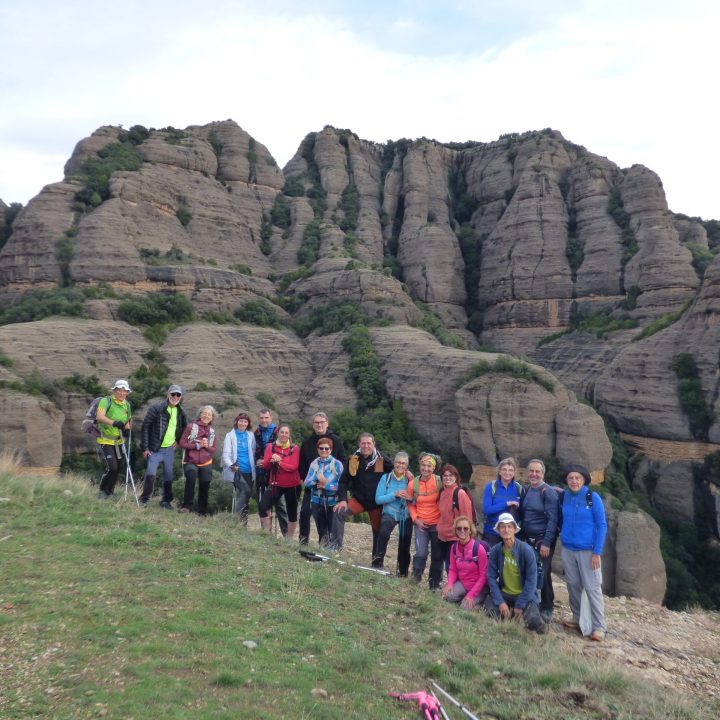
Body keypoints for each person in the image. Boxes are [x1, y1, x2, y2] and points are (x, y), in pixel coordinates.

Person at [559, 464, 608, 641]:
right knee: (572, 585)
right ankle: (577, 618)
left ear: (584, 480)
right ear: (566, 480)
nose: (574, 481)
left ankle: (598, 626)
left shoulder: (592, 497)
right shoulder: (564, 496)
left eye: (577, 478)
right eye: (571, 478)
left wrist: (597, 552)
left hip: (588, 551)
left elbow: (602, 525)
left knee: (592, 587)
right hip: (568, 549)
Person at [333, 433, 393, 564]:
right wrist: (342, 499)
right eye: (363, 443)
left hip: (376, 503)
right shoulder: (354, 459)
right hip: (359, 501)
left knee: (379, 531)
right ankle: (335, 550)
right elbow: (343, 481)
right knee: (338, 512)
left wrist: (407, 474)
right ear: (359, 444)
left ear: (373, 444)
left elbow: (395, 471)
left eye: (369, 443)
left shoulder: (380, 459)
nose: (366, 446)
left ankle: (376, 563)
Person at [484, 512, 546, 634]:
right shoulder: (496, 551)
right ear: (499, 530)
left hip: (525, 595)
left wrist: (520, 604)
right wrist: (500, 602)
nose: (506, 530)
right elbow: (491, 577)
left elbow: (531, 581)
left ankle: (521, 614)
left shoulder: (526, 550)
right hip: (505, 593)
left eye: (509, 526)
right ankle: (509, 614)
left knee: (534, 623)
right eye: (502, 526)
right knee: (490, 613)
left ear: (514, 529)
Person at [518, 458, 559, 622]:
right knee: (535, 571)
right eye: (532, 471)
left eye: (538, 472)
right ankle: (535, 603)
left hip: (543, 540)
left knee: (542, 572)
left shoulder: (547, 492)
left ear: (543, 474)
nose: (534, 474)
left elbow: (553, 519)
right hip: (528, 538)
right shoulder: (528, 490)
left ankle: (546, 607)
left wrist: (547, 543)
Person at [298, 412, 346, 545]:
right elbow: (302, 466)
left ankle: (331, 546)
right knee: (305, 513)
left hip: (332, 489)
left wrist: (330, 483)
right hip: (312, 487)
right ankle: (303, 541)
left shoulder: (336, 441)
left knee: (331, 518)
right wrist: (310, 482)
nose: (319, 425)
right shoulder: (307, 443)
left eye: (321, 422)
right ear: (313, 425)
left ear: (327, 423)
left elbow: (343, 462)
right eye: (316, 422)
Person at [139, 384, 188, 509]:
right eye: (173, 394)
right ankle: (144, 499)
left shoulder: (181, 412)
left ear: (181, 397)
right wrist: (144, 448)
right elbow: (145, 427)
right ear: (168, 394)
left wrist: (178, 441)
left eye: (178, 395)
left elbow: (184, 429)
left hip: (169, 450)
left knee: (168, 475)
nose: (175, 397)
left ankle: (166, 501)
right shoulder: (156, 408)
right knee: (151, 474)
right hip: (155, 448)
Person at [374, 452, 414, 575]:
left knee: (405, 540)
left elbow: (417, 500)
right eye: (398, 462)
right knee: (384, 533)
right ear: (394, 463)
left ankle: (403, 572)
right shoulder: (385, 478)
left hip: (405, 514)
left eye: (403, 463)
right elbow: (378, 499)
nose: (400, 465)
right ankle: (377, 564)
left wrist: (410, 498)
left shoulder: (411, 481)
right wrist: (394, 494)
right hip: (389, 512)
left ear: (407, 465)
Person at [408, 453, 443, 589]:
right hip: (420, 522)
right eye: (423, 465)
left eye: (429, 466)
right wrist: (416, 519)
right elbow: (410, 503)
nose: (426, 468)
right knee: (421, 552)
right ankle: (415, 579)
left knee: (437, 554)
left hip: (437, 523)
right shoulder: (413, 484)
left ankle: (434, 584)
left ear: (433, 468)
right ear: (419, 465)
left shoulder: (440, 482)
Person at [259, 425, 302, 539]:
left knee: (292, 511)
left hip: (292, 484)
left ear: (289, 435)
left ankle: (289, 538)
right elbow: (266, 465)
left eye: (286, 433)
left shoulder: (294, 448)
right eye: (282, 432)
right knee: (263, 506)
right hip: (275, 483)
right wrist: (270, 459)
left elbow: (293, 466)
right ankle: (267, 534)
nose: (284, 434)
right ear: (278, 433)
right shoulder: (270, 447)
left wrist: (279, 462)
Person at [95, 379, 133, 500]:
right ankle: (102, 491)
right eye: (119, 390)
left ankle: (110, 492)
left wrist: (127, 429)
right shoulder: (106, 401)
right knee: (112, 467)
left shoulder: (127, 405)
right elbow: (99, 417)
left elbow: (128, 420)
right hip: (106, 440)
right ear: (114, 390)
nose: (122, 393)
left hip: (119, 441)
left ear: (127, 392)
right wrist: (114, 423)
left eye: (124, 391)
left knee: (117, 468)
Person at [303, 437, 343, 547]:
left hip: (333, 502)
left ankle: (335, 552)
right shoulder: (314, 464)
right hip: (317, 501)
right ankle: (323, 550)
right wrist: (316, 480)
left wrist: (327, 486)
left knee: (333, 529)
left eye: (327, 448)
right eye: (321, 448)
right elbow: (306, 482)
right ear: (317, 449)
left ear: (331, 449)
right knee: (321, 529)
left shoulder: (337, 464)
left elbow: (342, 484)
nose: (324, 451)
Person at [178, 405, 218, 515]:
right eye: (204, 413)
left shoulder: (212, 432)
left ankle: (202, 511)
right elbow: (182, 443)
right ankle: (186, 506)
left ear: (212, 417)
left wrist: (206, 446)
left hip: (206, 462)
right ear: (200, 415)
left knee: (205, 485)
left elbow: (213, 449)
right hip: (190, 460)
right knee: (191, 477)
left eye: (209, 414)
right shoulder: (191, 427)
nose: (206, 416)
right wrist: (196, 446)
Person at [442, 515, 488, 609]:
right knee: (447, 596)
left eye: (466, 528)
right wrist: (450, 584)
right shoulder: (454, 548)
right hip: (463, 583)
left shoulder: (479, 549)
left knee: (464, 608)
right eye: (459, 528)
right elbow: (453, 569)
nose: (462, 531)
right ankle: (464, 598)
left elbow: (483, 576)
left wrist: (471, 595)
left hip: (478, 586)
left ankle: (480, 602)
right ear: (456, 531)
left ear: (470, 531)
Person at [253, 408, 287, 534]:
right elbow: (254, 450)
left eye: (266, 417)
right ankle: (265, 532)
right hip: (261, 472)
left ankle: (286, 535)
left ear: (271, 418)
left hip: (276, 473)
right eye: (261, 418)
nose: (264, 420)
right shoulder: (256, 433)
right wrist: (257, 461)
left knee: (280, 504)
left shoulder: (279, 432)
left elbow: (285, 448)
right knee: (263, 503)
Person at [437, 464, 475, 571]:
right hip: (442, 536)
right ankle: (449, 586)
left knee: (451, 567)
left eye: (451, 475)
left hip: (455, 537)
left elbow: (467, 519)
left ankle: (454, 587)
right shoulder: (442, 492)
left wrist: (466, 539)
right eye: (445, 475)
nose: (447, 478)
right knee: (447, 566)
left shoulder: (460, 493)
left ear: (456, 477)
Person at [222, 412, 257, 526]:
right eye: (241, 421)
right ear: (237, 422)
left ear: (248, 424)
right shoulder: (230, 435)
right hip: (236, 471)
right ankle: (234, 519)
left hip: (249, 471)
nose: (243, 423)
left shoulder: (251, 435)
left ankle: (243, 524)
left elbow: (253, 452)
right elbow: (226, 455)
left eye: (245, 421)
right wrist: (231, 465)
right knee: (246, 491)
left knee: (245, 497)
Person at [482, 457, 524, 545]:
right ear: (499, 471)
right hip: (492, 532)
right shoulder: (491, 487)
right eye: (504, 469)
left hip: (511, 534)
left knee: (510, 558)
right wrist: (506, 504)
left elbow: (522, 511)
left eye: (510, 470)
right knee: (492, 558)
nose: (507, 472)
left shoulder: (519, 488)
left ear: (514, 472)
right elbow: (487, 510)